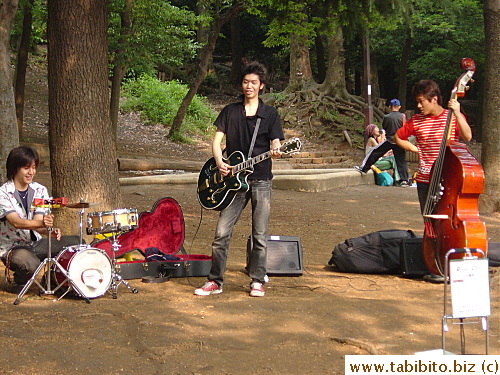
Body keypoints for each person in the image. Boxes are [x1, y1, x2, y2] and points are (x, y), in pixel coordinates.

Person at [194, 62, 284, 297]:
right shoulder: (230, 111)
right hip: (233, 183)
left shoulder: (270, 114)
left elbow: (276, 140)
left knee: (259, 234)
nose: (249, 86)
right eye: (246, 82)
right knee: (221, 232)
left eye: (254, 82)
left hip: (261, 180)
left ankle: (257, 280)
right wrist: (219, 162)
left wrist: (276, 148)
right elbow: (217, 141)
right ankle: (215, 281)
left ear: (261, 86)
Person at [0, 146, 79, 292]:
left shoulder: (40, 190)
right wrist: (41, 223)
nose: (31, 172)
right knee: (31, 264)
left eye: (34, 167)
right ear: (15, 168)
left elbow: (37, 223)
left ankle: (52, 278)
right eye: (26, 168)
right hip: (13, 247)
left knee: (77, 243)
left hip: (35, 243)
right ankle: (20, 281)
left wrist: (49, 230)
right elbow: (16, 222)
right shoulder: (3, 193)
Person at [394, 80, 472, 213]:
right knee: (429, 220)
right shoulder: (416, 120)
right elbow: (398, 137)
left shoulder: (452, 117)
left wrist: (457, 113)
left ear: (434, 99)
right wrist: (415, 149)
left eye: (421, 101)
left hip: (448, 178)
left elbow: (467, 136)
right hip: (424, 178)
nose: (419, 105)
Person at [355, 99, 409, 187]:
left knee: (375, 152)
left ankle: (364, 168)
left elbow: (385, 127)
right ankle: (404, 180)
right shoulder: (402, 116)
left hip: (389, 140)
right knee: (401, 161)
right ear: (399, 107)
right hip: (400, 141)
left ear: (390, 107)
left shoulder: (387, 117)